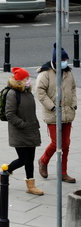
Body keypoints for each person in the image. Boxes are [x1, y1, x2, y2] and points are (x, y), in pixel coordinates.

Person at [36, 44, 77, 183]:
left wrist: (74, 104)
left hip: (67, 113)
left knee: (66, 144)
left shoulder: (68, 72)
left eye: (66, 59)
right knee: (57, 142)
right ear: (55, 60)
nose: (65, 62)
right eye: (63, 60)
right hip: (53, 115)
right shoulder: (45, 73)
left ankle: (63, 172)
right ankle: (43, 160)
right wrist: (52, 107)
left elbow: (72, 88)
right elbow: (40, 92)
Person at [0, 67, 43, 195]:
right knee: (23, 159)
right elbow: (10, 114)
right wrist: (23, 124)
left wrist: (35, 125)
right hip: (19, 131)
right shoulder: (13, 94)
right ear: (19, 81)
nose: (29, 80)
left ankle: (31, 186)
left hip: (31, 130)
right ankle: (5, 170)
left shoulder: (27, 91)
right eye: (26, 78)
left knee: (30, 159)